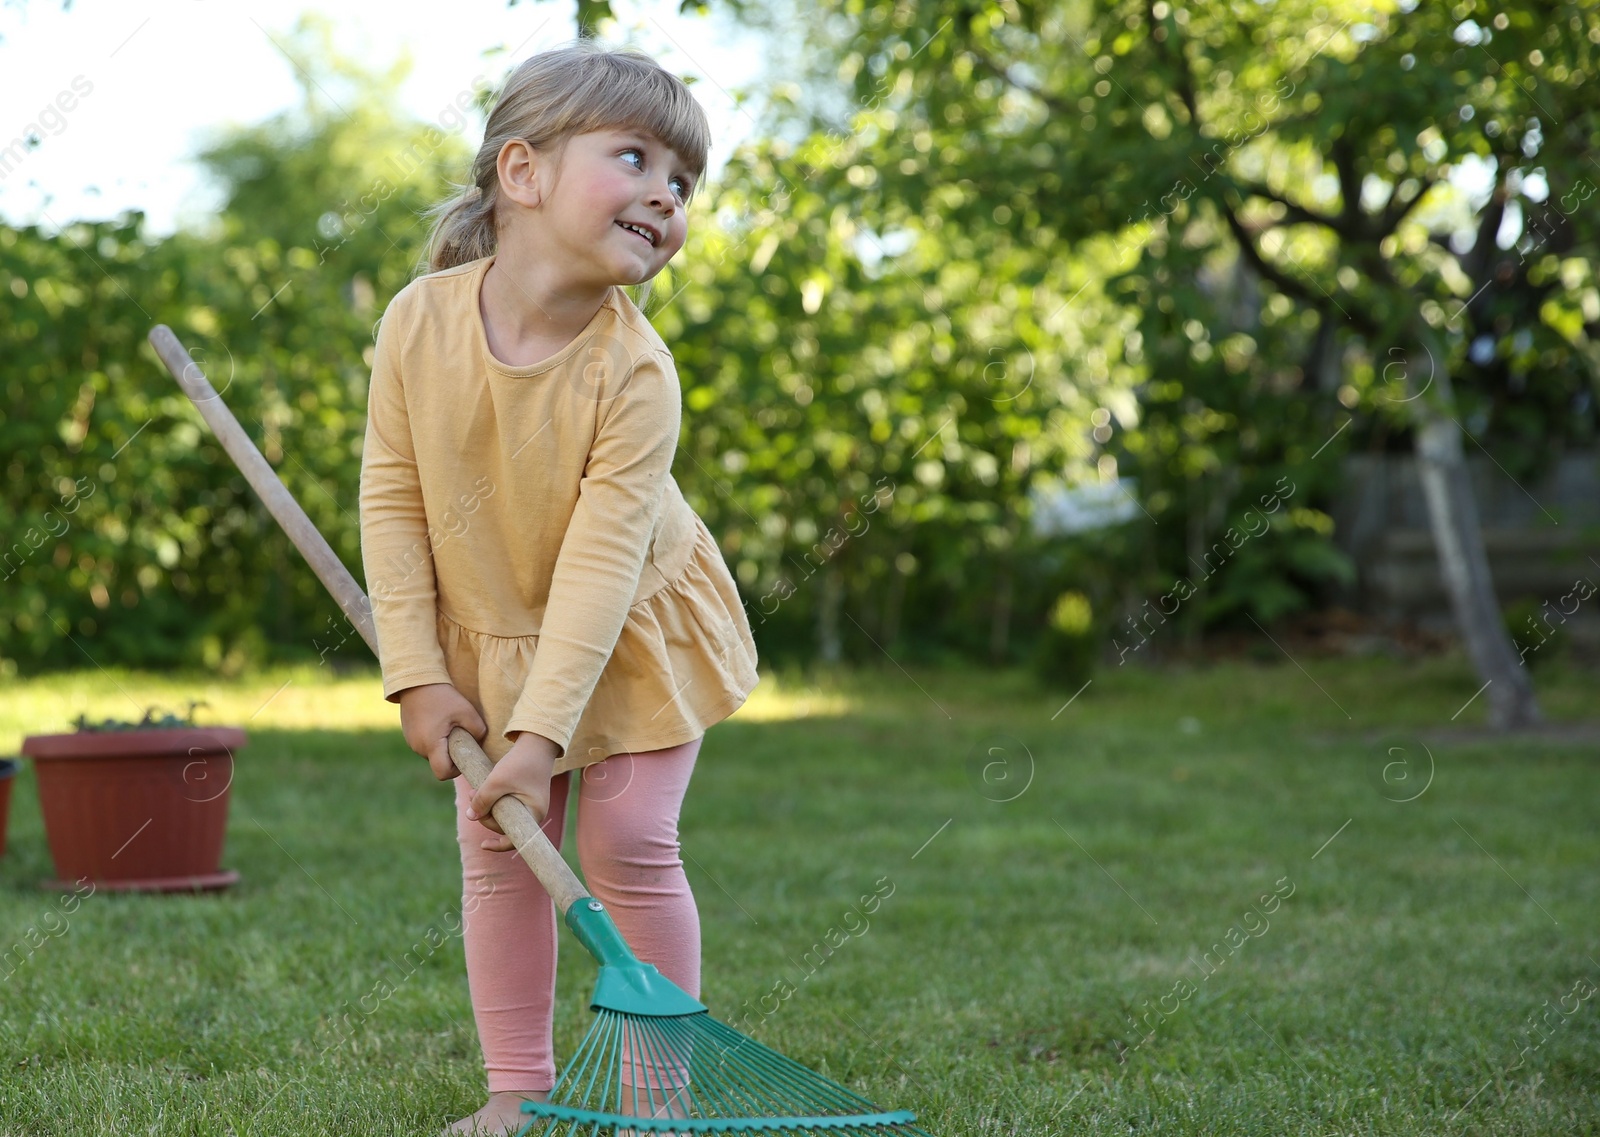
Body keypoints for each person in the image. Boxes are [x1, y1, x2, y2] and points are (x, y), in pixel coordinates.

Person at [357, 41, 760, 1136]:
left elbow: (600, 566)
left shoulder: (634, 370)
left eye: (683, 182)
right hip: (490, 635)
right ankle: (517, 1097)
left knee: (625, 847)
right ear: (522, 173)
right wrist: (418, 676)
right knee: (499, 854)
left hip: (628, 635)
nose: (665, 196)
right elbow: (392, 507)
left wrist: (541, 740)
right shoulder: (416, 324)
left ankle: (651, 1107)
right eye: (634, 158)